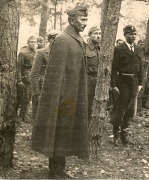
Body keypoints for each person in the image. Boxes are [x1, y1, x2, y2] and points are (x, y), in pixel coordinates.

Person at [31, 6, 89, 179]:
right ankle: (54, 169)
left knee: (66, 132)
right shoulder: (62, 39)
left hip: (73, 94)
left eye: (86, 20)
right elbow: (54, 75)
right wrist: (58, 99)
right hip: (62, 97)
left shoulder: (77, 38)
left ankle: (60, 167)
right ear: (72, 20)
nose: (85, 23)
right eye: (82, 19)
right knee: (58, 130)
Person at [110, 25, 143, 146]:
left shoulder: (138, 49)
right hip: (122, 81)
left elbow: (140, 67)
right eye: (130, 34)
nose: (133, 36)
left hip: (133, 81)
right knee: (119, 108)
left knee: (130, 109)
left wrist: (140, 83)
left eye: (134, 34)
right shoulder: (119, 49)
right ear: (125, 35)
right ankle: (115, 135)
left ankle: (125, 134)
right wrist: (113, 85)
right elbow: (113, 68)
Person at [30, 30, 59, 120]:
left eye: (58, 39)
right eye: (53, 38)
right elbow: (34, 74)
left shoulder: (62, 54)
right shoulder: (41, 53)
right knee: (40, 119)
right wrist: (36, 93)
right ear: (49, 40)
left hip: (56, 91)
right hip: (42, 89)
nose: (55, 41)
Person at [17, 36, 37, 122]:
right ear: (27, 43)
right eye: (31, 42)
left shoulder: (36, 52)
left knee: (31, 97)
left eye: (34, 42)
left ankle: (28, 115)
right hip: (26, 78)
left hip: (34, 78)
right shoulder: (23, 53)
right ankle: (23, 116)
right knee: (25, 98)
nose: (33, 43)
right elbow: (19, 67)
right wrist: (19, 80)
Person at [85, 26, 101, 118]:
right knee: (87, 104)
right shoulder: (85, 48)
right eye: (95, 33)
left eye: (99, 34)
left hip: (99, 80)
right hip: (88, 79)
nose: (98, 36)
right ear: (89, 35)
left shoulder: (102, 49)